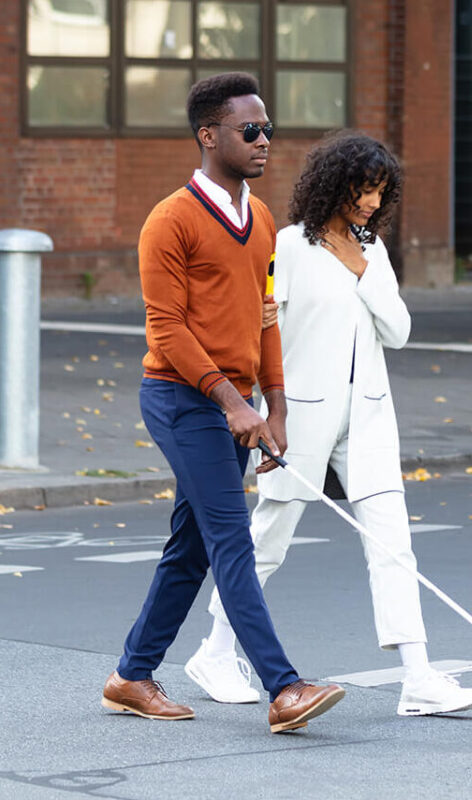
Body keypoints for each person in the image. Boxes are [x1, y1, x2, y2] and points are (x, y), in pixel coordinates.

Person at [185, 132, 472, 717]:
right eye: (363, 189)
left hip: (370, 414)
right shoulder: (291, 245)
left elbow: (398, 331)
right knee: (269, 538)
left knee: (393, 543)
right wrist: (265, 409)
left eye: (379, 191)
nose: (371, 202)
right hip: (301, 415)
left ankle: (418, 677)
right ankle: (216, 650)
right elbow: (267, 330)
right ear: (334, 184)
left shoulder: (372, 250)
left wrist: (363, 268)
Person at [101, 73, 344, 734]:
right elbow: (168, 331)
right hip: (181, 399)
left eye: (268, 129)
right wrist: (230, 403)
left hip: (232, 402)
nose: (265, 140)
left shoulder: (262, 219)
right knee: (231, 537)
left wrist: (277, 410)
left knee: (192, 548)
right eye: (251, 130)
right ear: (210, 135)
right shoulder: (170, 220)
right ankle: (283, 687)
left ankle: (130, 676)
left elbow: (267, 317)